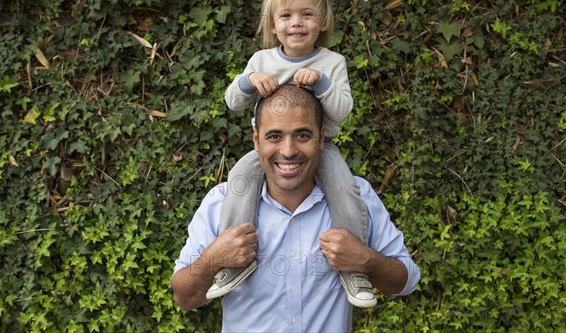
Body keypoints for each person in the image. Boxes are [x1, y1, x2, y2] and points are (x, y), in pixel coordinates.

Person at [172, 85, 420, 333]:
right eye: (274, 136)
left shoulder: (357, 198)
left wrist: (366, 261)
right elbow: (184, 297)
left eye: (302, 135)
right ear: (256, 140)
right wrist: (212, 260)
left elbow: (407, 280)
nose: (288, 151)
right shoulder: (221, 202)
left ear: (321, 138)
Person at [216, 0, 377, 307]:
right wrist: (248, 81)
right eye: (286, 16)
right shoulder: (261, 60)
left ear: (322, 22)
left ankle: (354, 269)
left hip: (320, 148)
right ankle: (234, 260)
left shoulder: (332, 62)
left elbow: (343, 110)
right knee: (240, 180)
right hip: (267, 150)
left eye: (307, 14)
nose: (296, 23)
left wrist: (321, 84)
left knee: (345, 188)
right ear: (273, 26)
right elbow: (233, 102)